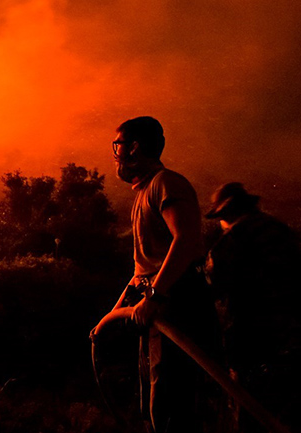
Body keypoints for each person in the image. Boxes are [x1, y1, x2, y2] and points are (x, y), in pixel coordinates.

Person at [99, 116, 215, 433]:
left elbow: (187, 240)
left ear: (134, 148)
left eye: (118, 145)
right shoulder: (145, 192)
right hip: (156, 307)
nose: (115, 153)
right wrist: (113, 313)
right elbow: (145, 267)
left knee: (170, 404)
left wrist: (155, 296)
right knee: (154, 401)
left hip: (176, 304)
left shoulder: (166, 184)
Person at [205, 182, 301, 432]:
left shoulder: (232, 242)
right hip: (293, 337)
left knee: (249, 412)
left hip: (252, 342)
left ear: (225, 214)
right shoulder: (282, 231)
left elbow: (212, 288)